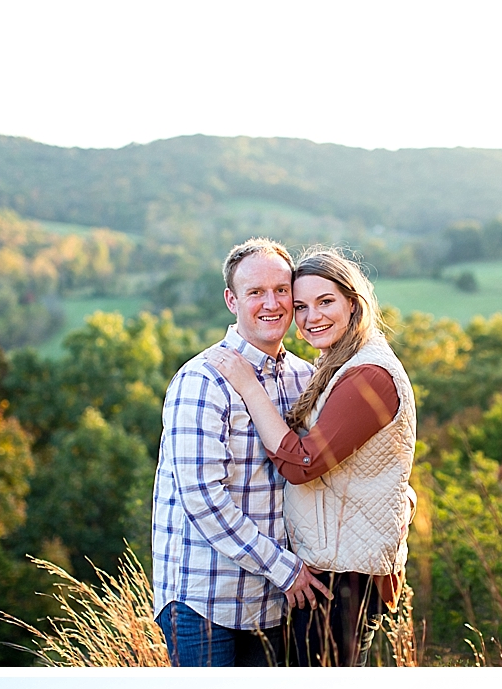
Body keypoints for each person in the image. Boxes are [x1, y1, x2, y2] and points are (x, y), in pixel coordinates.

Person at [209, 248, 417, 665]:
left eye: (326, 302)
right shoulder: (336, 364)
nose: (311, 317)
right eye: (300, 306)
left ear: (354, 303)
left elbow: (302, 464)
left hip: (345, 578)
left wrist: (249, 388)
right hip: (330, 567)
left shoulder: (368, 375)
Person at [152, 238, 329, 665]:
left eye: (281, 290)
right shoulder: (203, 380)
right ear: (232, 300)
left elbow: (327, 464)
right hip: (204, 604)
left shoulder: (304, 377)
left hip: (271, 603)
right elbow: (203, 498)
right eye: (255, 293)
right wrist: (285, 569)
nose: (271, 303)